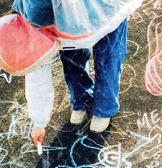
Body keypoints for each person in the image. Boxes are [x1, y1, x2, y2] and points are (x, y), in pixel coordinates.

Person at [11, 0, 142, 148]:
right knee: (71, 57)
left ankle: (104, 107)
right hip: (64, 20)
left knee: (109, 56)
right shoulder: (33, 11)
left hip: (108, 8)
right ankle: (81, 99)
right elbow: (38, 67)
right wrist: (39, 122)